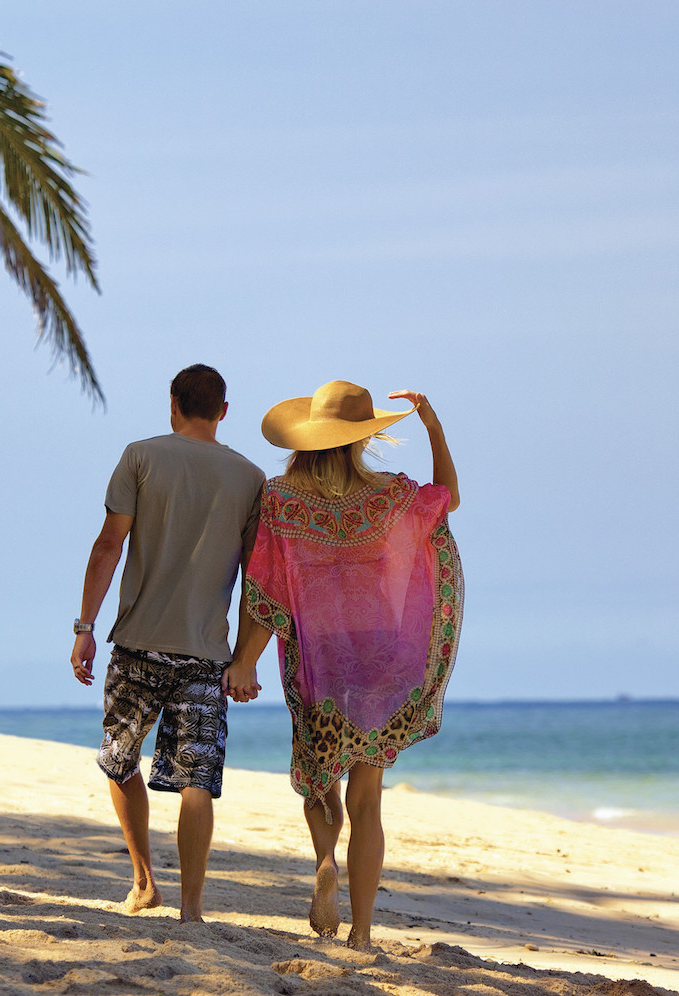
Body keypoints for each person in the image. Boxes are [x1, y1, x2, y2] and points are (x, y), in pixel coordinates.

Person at [223, 380, 462, 948]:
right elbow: (448, 497)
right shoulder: (392, 496)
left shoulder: (281, 497)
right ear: (360, 439)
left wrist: (244, 661)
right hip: (383, 656)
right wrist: (433, 426)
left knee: (317, 771)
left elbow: (267, 588)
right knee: (368, 797)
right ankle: (361, 933)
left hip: (317, 652)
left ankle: (326, 859)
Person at [70, 364, 266, 923]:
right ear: (224, 412)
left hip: (136, 643)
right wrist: (246, 659)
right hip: (207, 655)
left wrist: (85, 627)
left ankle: (144, 881)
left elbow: (109, 545)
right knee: (196, 779)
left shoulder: (140, 456)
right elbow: (259, 580)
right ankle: (192, 911)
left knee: (120, 759)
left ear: (173, 404)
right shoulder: (251, 479)